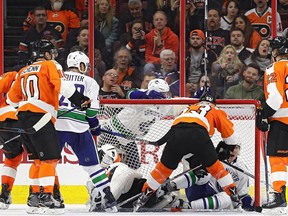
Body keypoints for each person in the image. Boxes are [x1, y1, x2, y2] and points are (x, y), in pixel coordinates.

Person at [5, 39, 91, 214]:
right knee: (49, 159)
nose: (52, 55)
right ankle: (46, 198)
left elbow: (11, 100)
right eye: (51, 52)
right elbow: (64, 86)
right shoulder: (51, 65)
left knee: (37, 160)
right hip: (41, 117)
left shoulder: (22, 71)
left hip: (22, 117)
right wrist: (80, 100)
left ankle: (34, 199)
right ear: (45, 54)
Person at [134, 91, 241, 211]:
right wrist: (227, 148)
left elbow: (175, 129)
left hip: (176, 134)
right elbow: (231, 139)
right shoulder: (215, 110)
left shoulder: (188, 109)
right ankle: (235, 198)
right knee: (216, 169)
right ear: (214, 103)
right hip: (198, 135)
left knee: (162, 170)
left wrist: (159, 142)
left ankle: (142, 198)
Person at [55, 51, 118, 212]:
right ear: (81, 65)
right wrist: (94, 124)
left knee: (48, 164)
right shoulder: (90, 81)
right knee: (93, 167)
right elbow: (91, 111)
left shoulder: (57, 77)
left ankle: (52, 196)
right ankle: (108, 198)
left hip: (56, 126)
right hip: (79, 128)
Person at [97, 79, 171, 170]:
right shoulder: (143, 95)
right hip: (112, 132)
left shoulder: (166, 105)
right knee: (103, 163)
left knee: (135, 168)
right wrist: (147, 96)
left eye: (166, 93)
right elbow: (130, 94)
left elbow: (180, 103)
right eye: (163, 94)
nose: (165, 96)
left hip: (129, 138)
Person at [164, 142, 255, 211]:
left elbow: (242, 195)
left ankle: (187, 206)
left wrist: (251, 205)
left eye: (236, 148)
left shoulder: (242, 170)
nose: (233, 150)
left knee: (227, 197)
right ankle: (169, 186)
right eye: (231, 147)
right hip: (196, 190)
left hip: (215, 200)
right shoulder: (212, 156)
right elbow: (190, 161)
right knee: (204, 173)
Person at [256, 36, 288, 212]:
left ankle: (279, 195)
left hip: (282, 122)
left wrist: (263, 115)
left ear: (275, 52)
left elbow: (276, 98)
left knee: (278, 160)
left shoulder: (274, 68)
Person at [0, 72, 23, 210]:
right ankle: (42, 195)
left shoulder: (13, 74)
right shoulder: (44, 74)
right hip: (29, 118)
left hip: (4, 119)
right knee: (43, 159)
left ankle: (4, 194)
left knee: (12, 158)